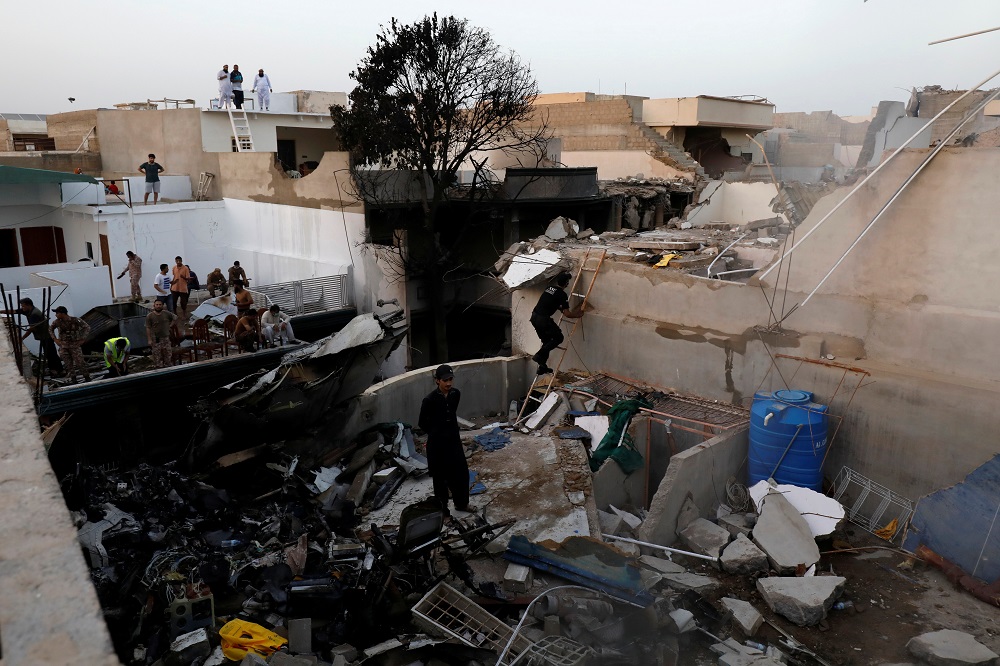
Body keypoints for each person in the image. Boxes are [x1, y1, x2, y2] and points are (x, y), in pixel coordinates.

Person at [417, 364, 470, 515]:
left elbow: (451, 413)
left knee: (461, 473)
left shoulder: (455, 394)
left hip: (454, 442)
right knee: (440, 480)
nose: (448, 383)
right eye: (445, 380)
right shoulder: (429, 400)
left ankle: (462, 504)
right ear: (437, 381)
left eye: (450, 379)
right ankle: (444, 513)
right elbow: (422, 423)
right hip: (438, 446)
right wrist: (436, 433)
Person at [530, 271, 583, 375]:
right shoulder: (562, 295)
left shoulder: (548, 288)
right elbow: (567, 314)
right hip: (543, 320)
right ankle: (538, 356)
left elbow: (551, 303)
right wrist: (578, 314)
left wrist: (560, 308)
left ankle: (542, 366)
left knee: (546, 341)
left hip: (534, 317)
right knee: (559, 338)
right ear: (567, 283)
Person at [2, 297, 64, 376]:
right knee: (49, 353)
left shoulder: (34, 314)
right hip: (42, 336)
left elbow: (31, 329)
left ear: (28, 305)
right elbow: (14, 311)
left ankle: (58, 370)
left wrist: (21, 338)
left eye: (23, 306)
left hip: (46, 336)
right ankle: (55, 370)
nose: (22, 308)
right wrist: (1, 311)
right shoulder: (28, 311)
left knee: (51, 354)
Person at [49, 306, 91, 383]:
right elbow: (50, 329)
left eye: (57, 313)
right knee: (68, 364)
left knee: (80, 362)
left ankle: (86, 377)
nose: (56, 315)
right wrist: (55, 339)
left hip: (74, 345)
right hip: (63, 346)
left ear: (62, 313)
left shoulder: (75, 320)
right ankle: (73, 379)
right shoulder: (57, 322)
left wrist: (83, 338)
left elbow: (87, 327)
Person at [145, 299, 179, 369]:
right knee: (157, 357)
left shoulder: (166, 313)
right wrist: (149, 339)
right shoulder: (150, 316)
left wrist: (170, 326)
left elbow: (175, 318)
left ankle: (168, 369)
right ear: (154, 306)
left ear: (162, 306)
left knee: (168, 356)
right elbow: (148, 328)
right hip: (156, 339)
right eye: (157, 305)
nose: (158, 306)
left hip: (166, 338)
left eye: (160, 305)